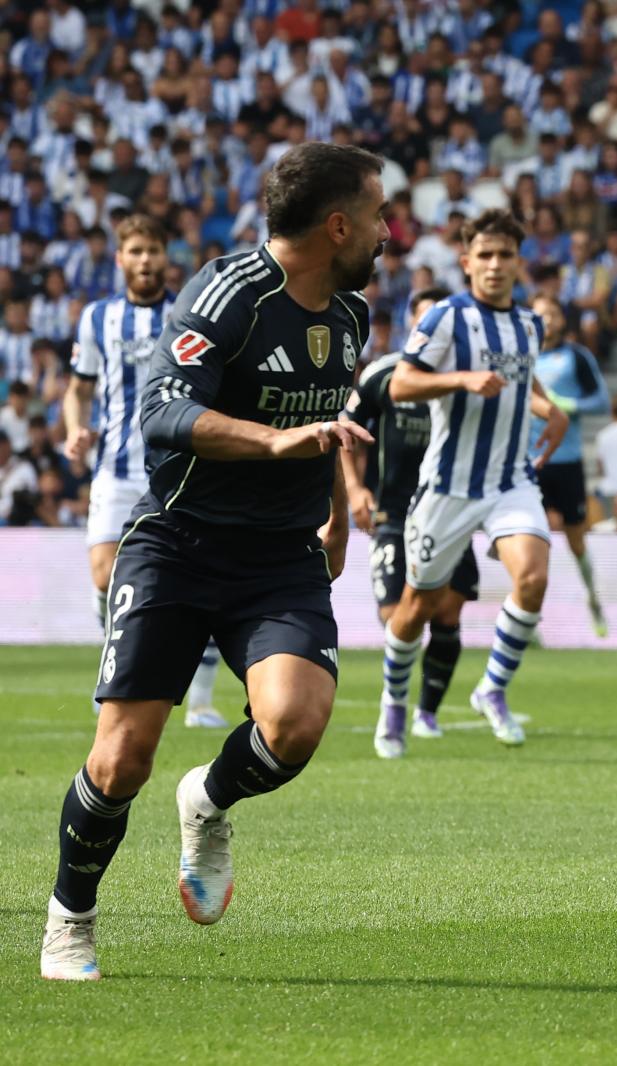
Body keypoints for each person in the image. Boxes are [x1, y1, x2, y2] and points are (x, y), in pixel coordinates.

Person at [41, 143, 387, 981]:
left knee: (296, 726)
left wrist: (338, 514)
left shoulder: (350, 314)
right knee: (121, 759)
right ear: (337, 225)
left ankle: (209, 800)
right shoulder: (225, 295)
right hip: (179, 542)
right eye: (378, 215)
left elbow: (325, 422)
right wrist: (275, 442)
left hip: (281, 556)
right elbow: (163, 412)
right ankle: (71, 918)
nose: (387, 231)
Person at [379, 209, 568, 749]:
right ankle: (394, 702)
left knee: (532, 578)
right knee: (417, 608)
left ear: (519, 263)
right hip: (448, 486)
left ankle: (491, 688)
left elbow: (515, 383)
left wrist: (549, 410)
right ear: (466, 263)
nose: (494, 264)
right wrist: (461, 379)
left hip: (510, 480)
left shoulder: (530, 325)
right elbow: (400, 385)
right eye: (484, 255)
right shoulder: (444, 317)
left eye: (505, 255)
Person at [60, 214, 227, 730]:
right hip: (115, 465)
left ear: (166, 255)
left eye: (153, 250)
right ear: (120, 258)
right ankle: (119, 670)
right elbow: (79, 387)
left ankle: (199, 701)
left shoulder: (189, 313)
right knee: (106, 575)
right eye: (135, 251)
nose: (145, 260)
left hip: (182, 467)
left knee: (211, 579)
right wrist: (74, 428)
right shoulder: (96, 319)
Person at [340, 287, 480, 759]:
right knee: (397, 616)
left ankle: (427, 713)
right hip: (395, 513)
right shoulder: (385, 374)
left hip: (453, 512)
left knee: (449, 612)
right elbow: (348, 433)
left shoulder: (468, 380)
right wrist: (357, 489)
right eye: (424, 321)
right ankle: (394, 706)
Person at [529, 293, 610, 636]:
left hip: (567, 461)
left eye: (552, 313)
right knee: (530, 540)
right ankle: (528, 620)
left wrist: (567, 404)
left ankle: (593, 598)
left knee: (576, 541)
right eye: (540, 314)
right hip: (528, 463)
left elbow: (602, 401)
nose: (547, 320)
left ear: (562, 319)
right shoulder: (521, 355)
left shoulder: (576, 357)